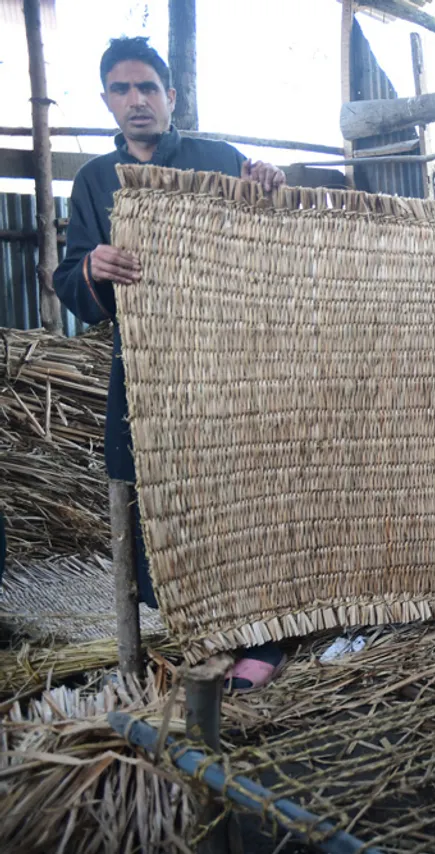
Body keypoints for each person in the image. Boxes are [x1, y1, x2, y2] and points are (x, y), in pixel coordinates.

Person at [53, 37, 287, 691]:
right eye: (122, 90)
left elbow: (273, 234)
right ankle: (199, 629)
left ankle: (264, 639)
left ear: (170, 97)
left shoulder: (216, 160)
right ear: (106, 99)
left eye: (147, 88)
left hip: (227, 362)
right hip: (147, 371)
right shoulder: (95, 182)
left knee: (240, 495)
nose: (136, 101)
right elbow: (70, 279)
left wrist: (267, 185)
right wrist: (92, 267)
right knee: (150, 498)